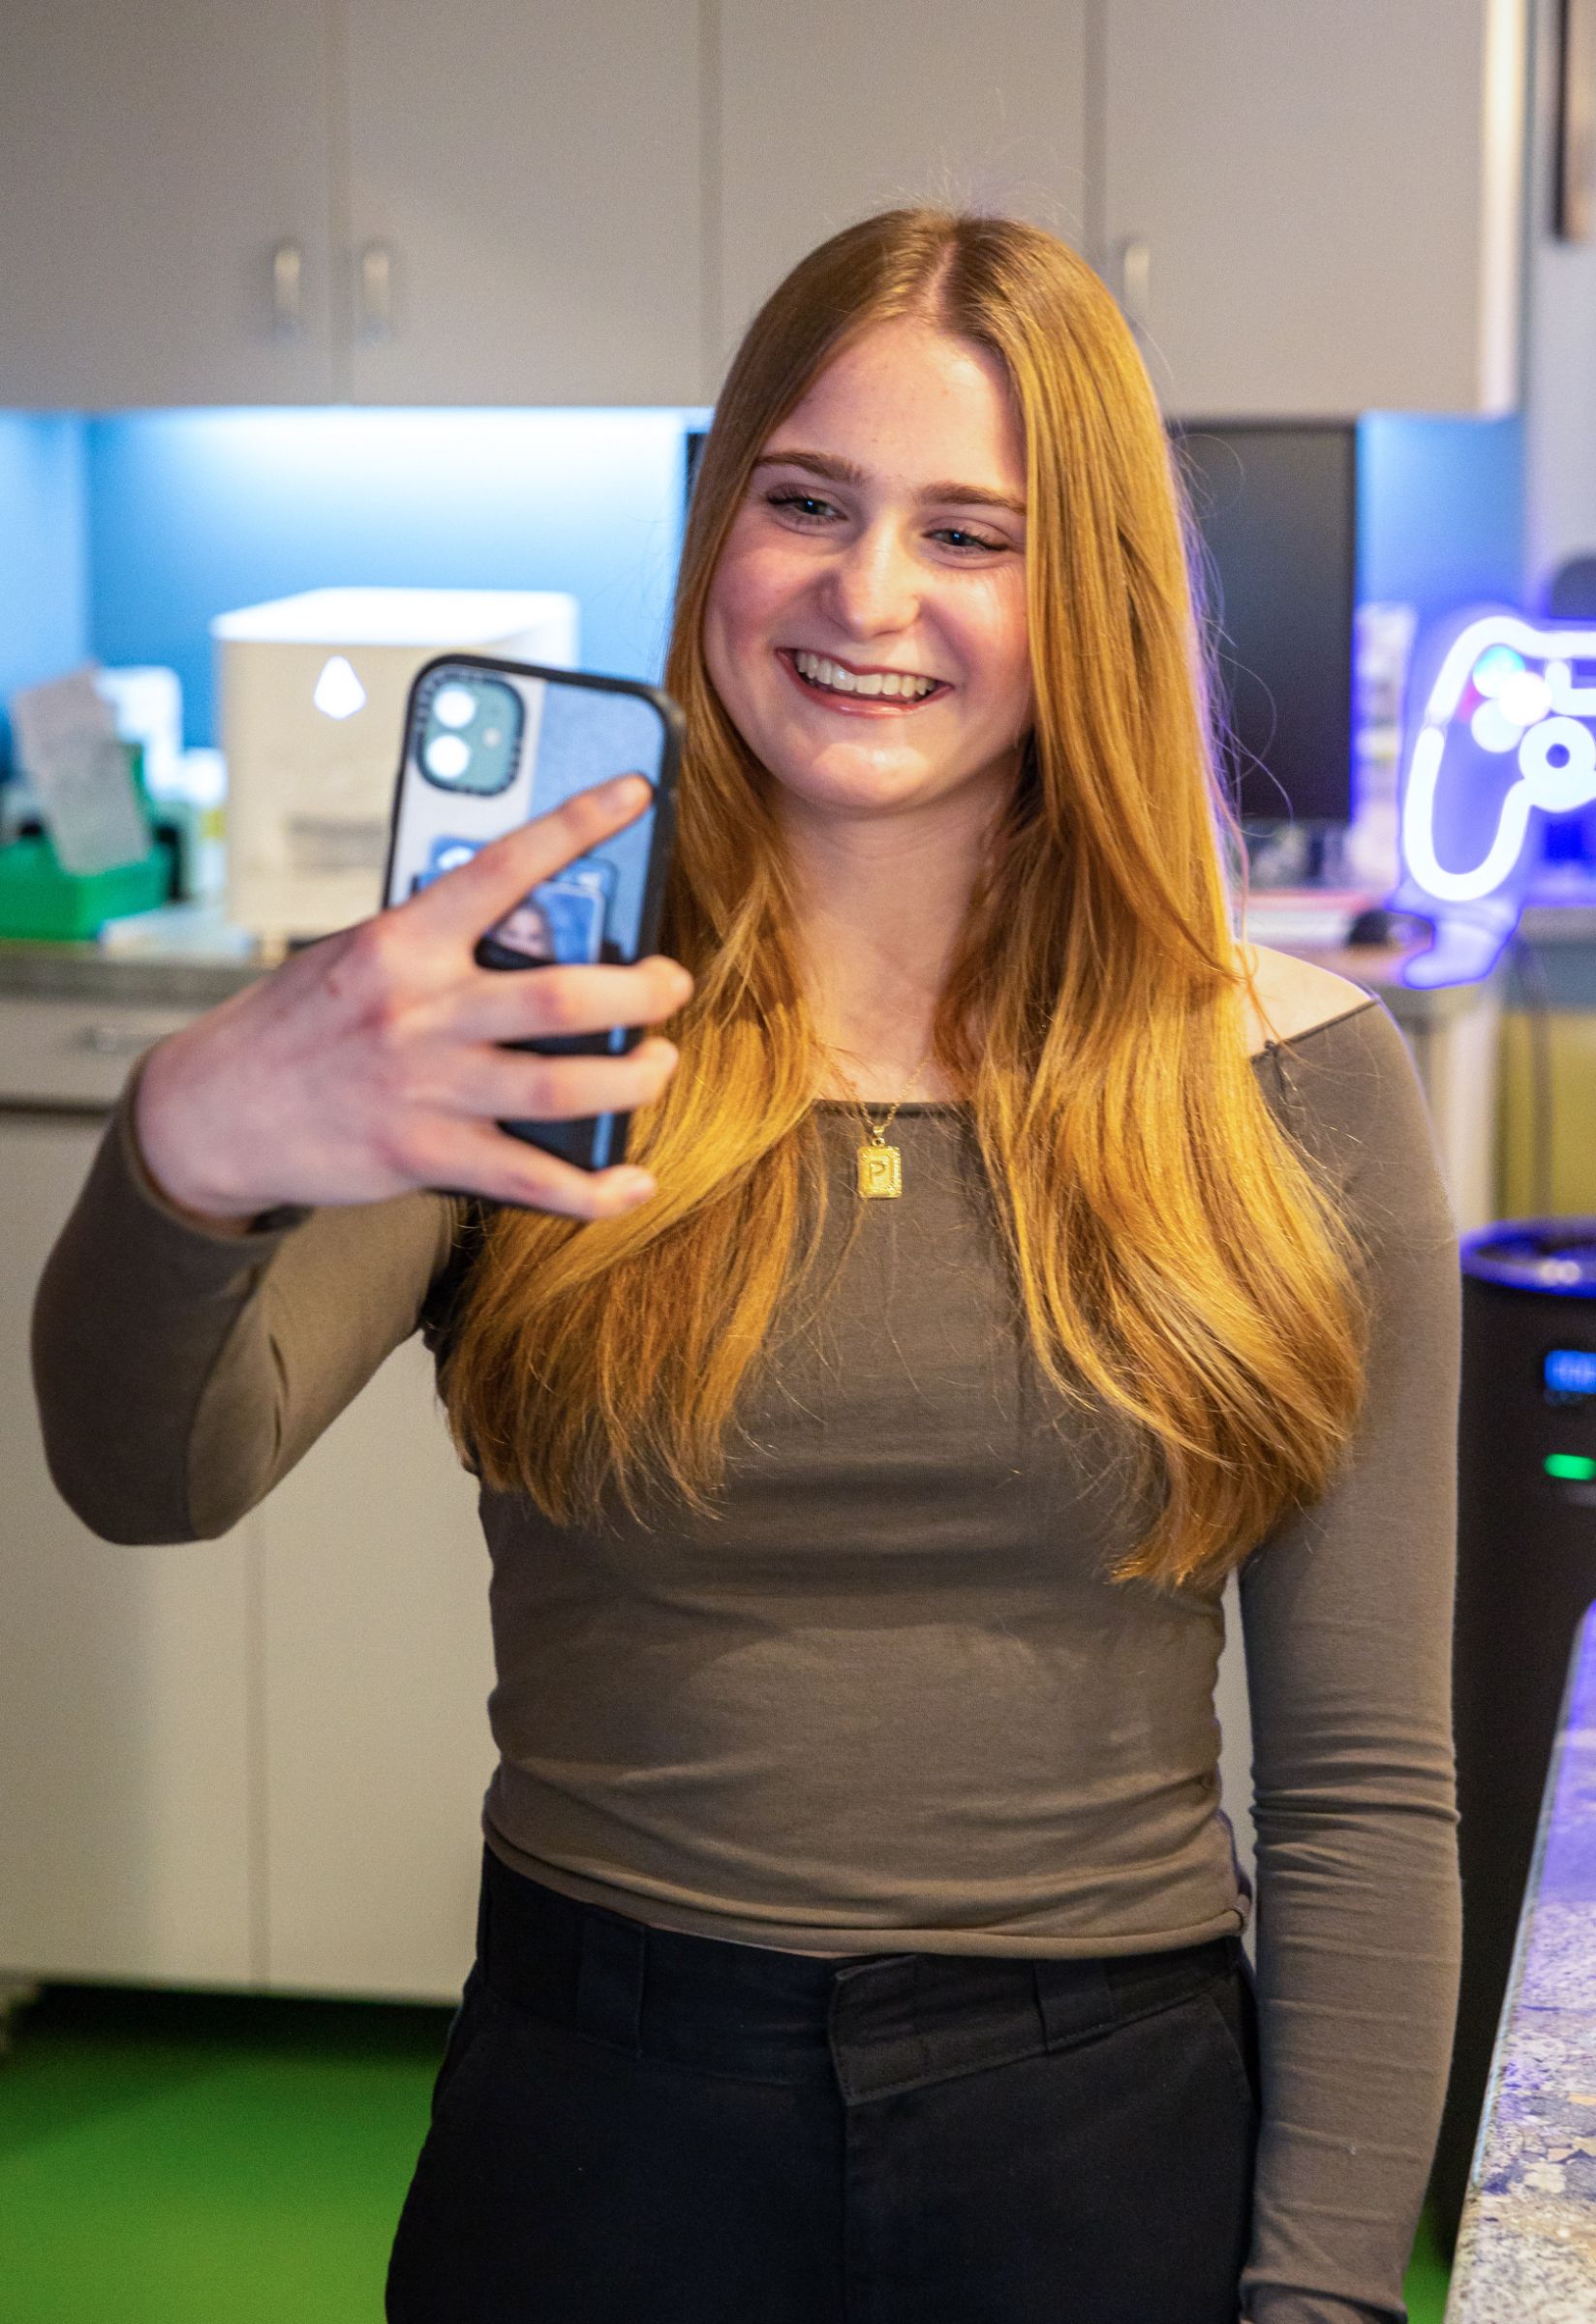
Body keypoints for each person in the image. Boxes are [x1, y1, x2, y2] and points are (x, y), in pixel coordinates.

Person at [32, 210, 1460, 2324]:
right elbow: (153, 1475)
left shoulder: (1290, 1079)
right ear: (714, 526)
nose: (865, 595)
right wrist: (185, 1151)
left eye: (971, 533)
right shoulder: (532, 1030)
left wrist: (1322, 2295)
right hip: (601, 2120)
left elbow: (1359, 1790)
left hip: (1104, 2130)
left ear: (1087, 594)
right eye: (804, 501)